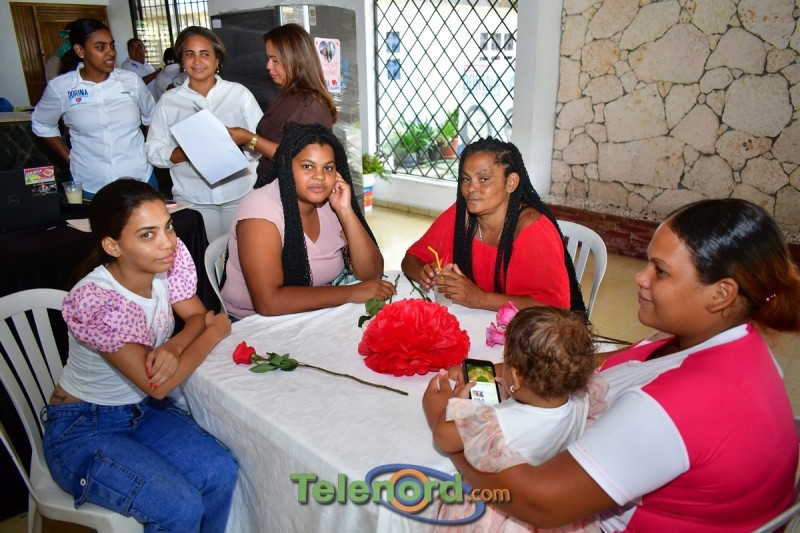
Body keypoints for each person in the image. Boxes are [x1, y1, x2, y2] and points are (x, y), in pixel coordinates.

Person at [430, 198, 800, 531]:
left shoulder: (677, 406)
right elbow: (601, 363)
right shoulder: (723, 339)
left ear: (721, 294)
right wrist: (507, 370)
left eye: (660, 271)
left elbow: (540, 504)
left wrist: (455, 438)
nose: (640, 277)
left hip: (587, 516)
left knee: (428, 499)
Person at [43, 179, 237, 531]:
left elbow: (195, 315)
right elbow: (158, 385)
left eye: (168, 226)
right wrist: (214, 332)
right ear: (112, 245)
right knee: (179, 507)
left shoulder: (164, 264)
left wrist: (173, 345)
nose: (167, 242)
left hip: (140, 411)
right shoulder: (99, 301)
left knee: (221, 471)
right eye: (148, 234)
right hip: (84, 427)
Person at [424, 306, 605, 532]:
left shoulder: (501, 421)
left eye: (506, 358)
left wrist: (444, 404)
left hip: (501, 508)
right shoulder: (581, 401)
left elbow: (444, 437)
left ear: (517, 377)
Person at [221, 123, 395, 318]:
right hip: (254, 324)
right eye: (307, 166)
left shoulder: (330, 202)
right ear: (286, 166)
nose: (319, 176)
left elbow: (371, 274)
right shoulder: (260, 211)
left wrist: (346, 211)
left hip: (314, 314)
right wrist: (351, 293)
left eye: (328, 168)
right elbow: (269, 302)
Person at [402, 137, 585, 313]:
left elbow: (556, 307)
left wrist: (480, 299)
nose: (470, 188)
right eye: (466, 179)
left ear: (511, 183)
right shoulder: (460, 215)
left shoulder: (532, 229)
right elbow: (411, 259)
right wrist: (424, 274)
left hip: (525, 330)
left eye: (483, 179)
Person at [146, 26, 263, 242]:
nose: (197, 61)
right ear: (182, 60)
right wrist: (187, 152)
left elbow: (260, 142)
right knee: (203, 257)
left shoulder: (239, 94)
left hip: (239, 194)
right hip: (193, 199)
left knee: (240, 256)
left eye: (205, 54)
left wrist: (240, 146)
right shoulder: (169, 101)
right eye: (190, 54)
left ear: (217, 60)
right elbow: (153, 150)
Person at [32, 18, 157, 198]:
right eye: (100, 47)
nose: (111, 53)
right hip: (91, 182)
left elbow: (151, 116)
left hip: (139, 176)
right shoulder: (61, 87)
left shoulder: (130, 81)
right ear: (80, 50)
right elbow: (41, 124)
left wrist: (148, 150)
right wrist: (69, 158)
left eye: (112, 46)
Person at [227, 23, 337, 189]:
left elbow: (300, 158)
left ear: (295, 60)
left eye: (275, 60)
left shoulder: (309, 105)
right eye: (268, 58)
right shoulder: (286, 97)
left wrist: (250, 139)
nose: (268, 66)